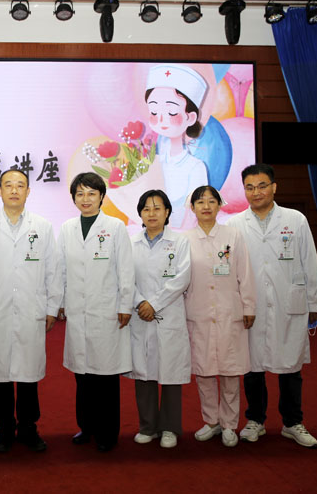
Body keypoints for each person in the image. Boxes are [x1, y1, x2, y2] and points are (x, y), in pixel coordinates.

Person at [227, 163, 317, 448]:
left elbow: (310, 262)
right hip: (251, 306)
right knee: (252, 367)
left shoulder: (295, 220)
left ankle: (292, 423)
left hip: (287, 303)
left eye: (262, 186)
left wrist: (313, 302)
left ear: (274, 187)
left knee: (290, 365)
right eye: (249, 187)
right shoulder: (234, 225)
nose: (256, 192)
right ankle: (255, 420)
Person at [0, 169, 60, 453]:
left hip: (32, 310)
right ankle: (5, 430)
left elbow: (53, 270)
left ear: (28, 191)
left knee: (29, 377)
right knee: (1, 378)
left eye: (20, 185)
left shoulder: (42, 226)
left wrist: (52, 307)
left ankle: (29, 429)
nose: (14, 190)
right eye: (8, 185)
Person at [57, 172, 134, 452]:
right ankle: (86, 427)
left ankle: (107, 432)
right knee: (82, 375)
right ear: (74, 198)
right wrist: (59, 302)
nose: (85, 199)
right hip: (77, 311)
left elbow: (125, 268)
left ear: (102, 196)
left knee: (105, 376)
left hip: (106, 311)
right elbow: (60, 269)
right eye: (80, 194)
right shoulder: (67, 228)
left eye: (91, 193)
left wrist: (125, 304)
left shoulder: (115, 227)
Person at [184, 185, 255, 448]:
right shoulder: (184, 240)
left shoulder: (232, 236)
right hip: (198, 313)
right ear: (192, 207)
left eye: (211, 201)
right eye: (200, 202)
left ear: (219, 205)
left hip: (229, 312)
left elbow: (245, 274)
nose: (206, 206)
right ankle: (211, 421)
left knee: (229, 372)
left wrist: (249, 307)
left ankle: (229, 424)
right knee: (204, 372)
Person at [127, 189, 191, 449]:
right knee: (144, 374)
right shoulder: (130, 243)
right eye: (146, 209)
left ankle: (170, 428)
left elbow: (182, 278)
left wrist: (153, 303)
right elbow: (124, 278)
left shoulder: (180, 242)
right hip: (140, 314)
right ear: (140, 214)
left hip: (168, 314)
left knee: (171, 373)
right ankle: (148, 427)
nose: (152, 213)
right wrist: (140, 302)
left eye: (157, 208)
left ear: (167, 212)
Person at [145, 63, 209, 228]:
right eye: (154, 111)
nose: (161, 119)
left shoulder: (195, 167)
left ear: (190, 117)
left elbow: (195, 212)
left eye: (171, 112)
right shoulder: (150, 163)